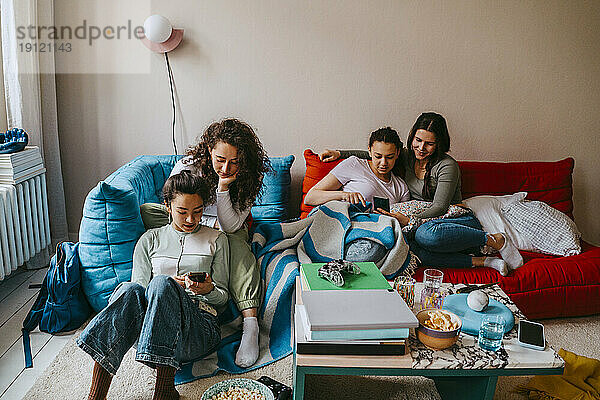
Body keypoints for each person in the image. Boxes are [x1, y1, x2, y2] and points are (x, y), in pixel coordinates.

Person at [77, 171, 228, 400]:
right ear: (167, 206)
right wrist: (167, 288)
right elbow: (136, 296)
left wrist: (207, 290)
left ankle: (163, 390)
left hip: (199, 329)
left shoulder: (217, 239)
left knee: (161, 283)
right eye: (182, 212)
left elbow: (223, 298)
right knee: (130, 289)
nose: (190, 220)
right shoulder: (149, 240)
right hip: (151, 331)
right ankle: (96, 395)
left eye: (197, 212)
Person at [319, 113, 523, 276]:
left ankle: (494, 240)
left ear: (439, 144)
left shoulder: (447, 166)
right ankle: (485, 262)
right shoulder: (406, 156)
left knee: (425, 234)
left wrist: (409, 220)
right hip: (419, 221)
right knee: (407, 248)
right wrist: (340, 153)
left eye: (429, 144)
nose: (421, 148)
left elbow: (439, 207)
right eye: (417, 140)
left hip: (451, 220)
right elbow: (377, 154)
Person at [140, 118, 271, 368]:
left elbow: (231, 225)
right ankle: (168, 262)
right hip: (189, 219)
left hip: (224, 227)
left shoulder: (249, 177)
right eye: (220, 159)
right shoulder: (187, 167)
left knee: (236, 244)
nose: (225, 167)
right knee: (147, 210)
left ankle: (250, 324)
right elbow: (173, 203)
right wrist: (190, 222)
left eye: (234, 161)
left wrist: (223, 189)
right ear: (209, 149)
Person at [304, 127, 410, 209]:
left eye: (389, 157)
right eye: (378, 156)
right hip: (346, 222)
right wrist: (343, 195)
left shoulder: (401, 187)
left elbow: (403, 218)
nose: (383, 163)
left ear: (397, 153)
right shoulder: (354, 164)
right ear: (369, 151)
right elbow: (310, 197)